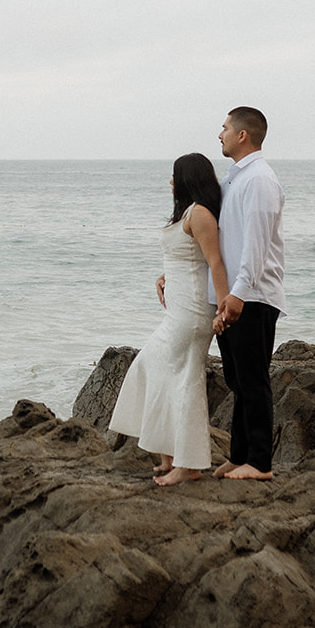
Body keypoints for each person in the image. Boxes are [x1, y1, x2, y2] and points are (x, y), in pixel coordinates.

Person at [108, 153, 232, 486]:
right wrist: (166, 275)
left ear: (187, 178)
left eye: (174, 175)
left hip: (192, 313)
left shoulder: (200, 213)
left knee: (183, 379)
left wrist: (224, 307)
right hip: (177, 308)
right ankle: (168, 455)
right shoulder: (187, 214)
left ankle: (189, 464)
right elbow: (186, 257)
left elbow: (215, 263)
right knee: (153, 368)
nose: (170, 181)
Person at [210, 106, 285, 482]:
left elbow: (255, 245)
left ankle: (260, 463)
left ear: (243, 135)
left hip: (253, 298)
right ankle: (239, 455)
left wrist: (238, 294)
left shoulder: (259, 180)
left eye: (224, 128)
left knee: (253, 381)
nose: (218, 134)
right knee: (236, 382)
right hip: (234, 296)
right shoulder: (234, 179)